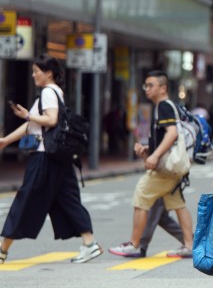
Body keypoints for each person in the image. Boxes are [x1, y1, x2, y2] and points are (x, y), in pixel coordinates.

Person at [0, 55, 103, 264]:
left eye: (36, 70)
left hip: (45, 156)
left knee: (25, 199)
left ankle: (2, 250)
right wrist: (6, 141)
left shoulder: (48, 92)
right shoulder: (55, 92)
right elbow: (33, 126)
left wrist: (28, 115)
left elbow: (50, 120)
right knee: (68, 199)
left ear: (48, 73)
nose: (33, 75)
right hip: (57, 156)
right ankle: (89, 243)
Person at [109, 70, 194, 258]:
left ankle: (134, 244)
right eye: (145, 85)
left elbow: (172, 133)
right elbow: (168, 137)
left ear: (163, 88)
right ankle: (190, 245)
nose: (147, 89)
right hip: (172, 168)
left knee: (141, 196)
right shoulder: (164, 106)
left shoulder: (164, 105)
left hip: (164, 170)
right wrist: (148, 149)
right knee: (177, 203)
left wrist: (154, 156)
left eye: (151, 85)